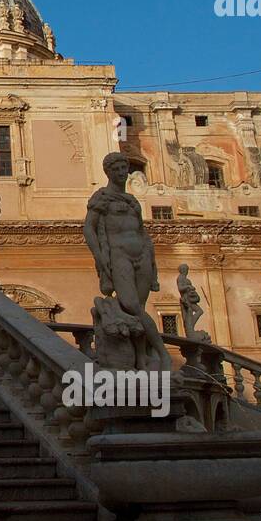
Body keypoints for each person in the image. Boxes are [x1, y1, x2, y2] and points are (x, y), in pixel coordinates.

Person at [84, 152, 169, 370]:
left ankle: (140, 358)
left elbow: (143, 233)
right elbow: (89, 229)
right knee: (131, 305)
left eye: (124, 168)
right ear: (108, 172)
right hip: (118, 255)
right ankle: (162, 352)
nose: (122, 173)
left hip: (142, 255)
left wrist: (153, 265)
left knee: (135, 309)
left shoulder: (132, 201)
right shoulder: (101, 197)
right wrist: (99, 257)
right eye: (117, 169)